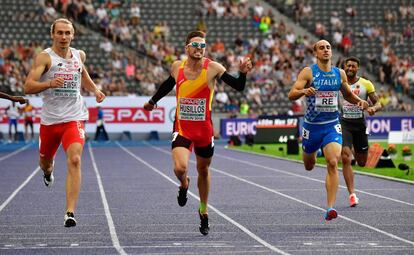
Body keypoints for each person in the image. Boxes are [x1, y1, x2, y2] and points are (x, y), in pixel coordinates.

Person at [144, 31, 253, 235]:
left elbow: (238, 86)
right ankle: (184, 183)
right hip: (183, 128)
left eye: (202, 45)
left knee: (203, 170)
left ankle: (203, 210)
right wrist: (152, 101)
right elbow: (168, 84)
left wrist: (243, 73)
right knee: (180, 167)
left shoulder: (213, 67)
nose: (199, 48)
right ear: (187, 47)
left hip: (204, 131)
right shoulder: (177, 66)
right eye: (195, 45)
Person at [24, 18, 105, 227]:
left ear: (73, 35)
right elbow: (28, 86)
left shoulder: (79, 55)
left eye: (67, 33)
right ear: (53, 34)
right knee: (45, 163)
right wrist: (50, 83)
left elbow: (82, 73)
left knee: (75, 159)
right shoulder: (45, 58)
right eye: (59, 33)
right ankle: (48, 172)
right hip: (50, 121)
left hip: (74, 117)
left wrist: (95, 89)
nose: (63, 37)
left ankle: (69, 212)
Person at [288, 40, 369, 221]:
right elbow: (291, 93)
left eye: (328, 47)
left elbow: (347, 94)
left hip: (332, 125)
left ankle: (330, 207)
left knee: (333, 162)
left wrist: (360, 102)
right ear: (315, 52)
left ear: (331, 52)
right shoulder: (308, 72)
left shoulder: (339, 73)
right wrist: (304, 91)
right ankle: (311, 152)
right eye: (322, 48)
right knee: (309, 165)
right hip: (311, 127)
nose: (326, 50)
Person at [340, 56, 382, 207]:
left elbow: (378, 103)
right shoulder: (339, 83)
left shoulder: (366, 84)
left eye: (353, 66)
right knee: (345, 157)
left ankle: (351, 147)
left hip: (359, 125)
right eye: (348, 66)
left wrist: (373, 108)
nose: (350, 68)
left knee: (362, 162)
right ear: (344, 67)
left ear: (357, 68)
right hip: (343, 123)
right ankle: (352, 194)